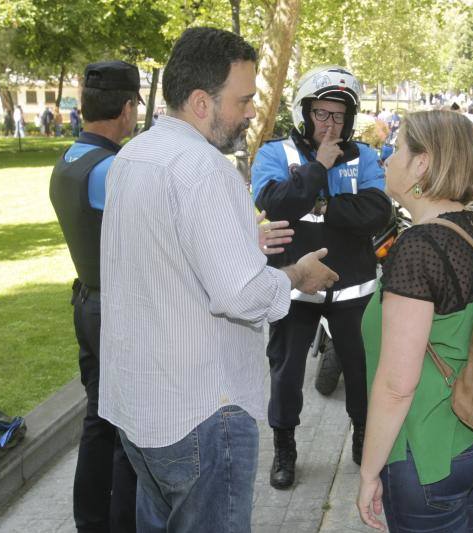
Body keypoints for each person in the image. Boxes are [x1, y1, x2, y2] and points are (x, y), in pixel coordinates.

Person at [98, 27, 338, 533]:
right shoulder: (204, 170)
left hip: (140, 407)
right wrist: (297, 275)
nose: (252, 111)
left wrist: (240, 243)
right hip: (201, 413)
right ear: (203, 102)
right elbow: (242, 296)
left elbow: (159, 259)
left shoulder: (133, 157)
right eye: (244, 99)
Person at [357, 110, 473, 532]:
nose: (387, 158)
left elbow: (397, 384)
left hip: (427, 455)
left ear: (422, 163)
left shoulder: (419, 247)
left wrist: (369, 471)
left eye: (397, 148)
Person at [250, 64, 391, 490]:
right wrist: (319, 168)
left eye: (338, 116)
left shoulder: (365, 156)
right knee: (286, 374)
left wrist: (327, 206)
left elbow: (377, 212)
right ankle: (285, 448)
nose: (330, 125)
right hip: (294, 288)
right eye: (321, 114)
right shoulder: (276, 153)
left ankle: (364, 438)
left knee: (362, 371)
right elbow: (277, 205)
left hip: (354, 287)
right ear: (304, 113)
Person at [49, 60, 144, 533]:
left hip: (87, 301)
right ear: (126, 110)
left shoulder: (69, 158)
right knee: (126, 428)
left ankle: (90, 520)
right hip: (115, 309)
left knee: (98, 421)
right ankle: (119, 523)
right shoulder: (113, 169)